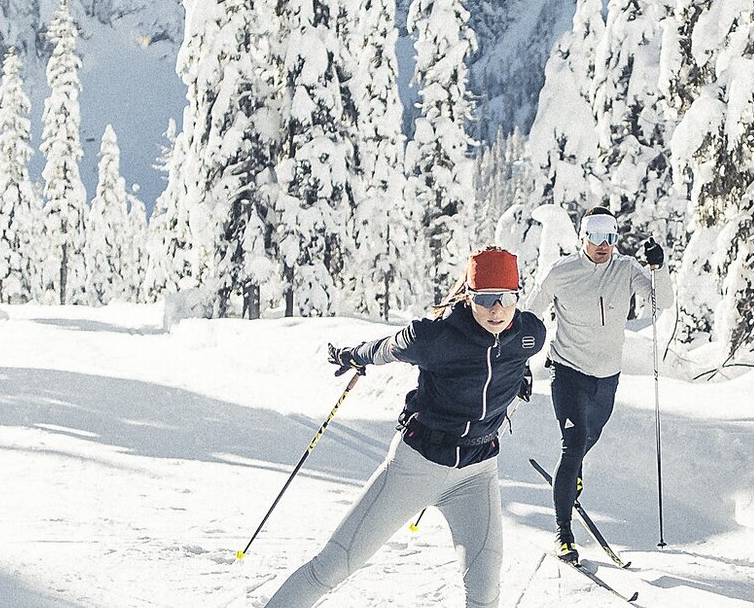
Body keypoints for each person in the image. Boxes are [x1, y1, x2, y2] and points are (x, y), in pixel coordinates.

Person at [265, 247, 546, 608]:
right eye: (486, 298)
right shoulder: (434, 338)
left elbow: (513, 359)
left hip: (477, 474)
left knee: (485, 592)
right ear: (469, 296)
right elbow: (386, 348)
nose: (497, 309)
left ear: (517, 297)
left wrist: (519, 376)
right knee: (333, 567)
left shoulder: (528, 335)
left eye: (506, 298)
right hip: (417, 467)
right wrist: (354, 355)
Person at [524, 206, 674, 563]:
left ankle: (571, 475)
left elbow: (661, 302)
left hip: (607, 375)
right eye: (596, 235)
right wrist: (519, 366)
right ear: (582, 236)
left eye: (610, 236)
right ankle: (564, 531)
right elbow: (530, 320)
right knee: (573, 444)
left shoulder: (625, 269)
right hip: (568, 371)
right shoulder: (561, 272)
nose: (604, 244)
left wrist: (659, 268)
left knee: (591, 436)